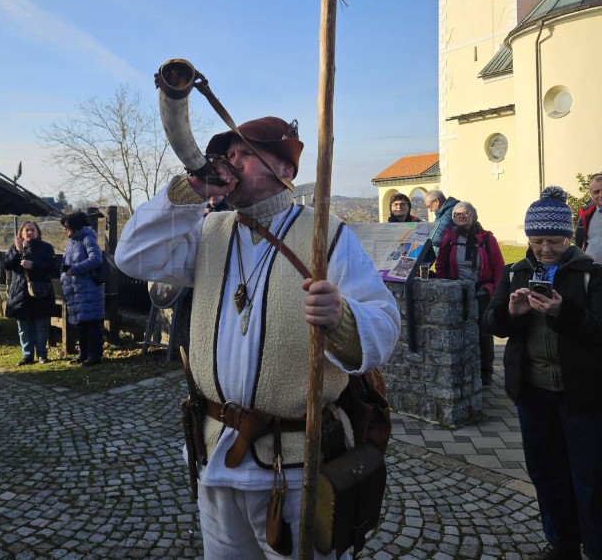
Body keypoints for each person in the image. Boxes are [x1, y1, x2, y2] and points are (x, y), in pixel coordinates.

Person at [115, 116, 400, 560]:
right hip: (216, 453)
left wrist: (341, 317)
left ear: (285, 171)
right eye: (228, 154)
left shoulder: (328, 232)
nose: (231, 162)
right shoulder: (209, 231)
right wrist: (190, 191)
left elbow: (383, 327)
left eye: (245, 153)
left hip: (296, 464)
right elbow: (131, 256)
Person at [485, 186, 602, 560]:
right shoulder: (516, 272)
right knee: (547, 474)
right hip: (533, 394)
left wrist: (561, 312)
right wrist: (511, 314)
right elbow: (493, 323)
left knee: (590, 480)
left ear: (569, 237)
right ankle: (562, 543)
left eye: (553, 240)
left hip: (582, 396)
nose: (545, 249)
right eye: (536, 241)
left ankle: (596, 547)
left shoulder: (591, 275)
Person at [435, 201, 505, 386]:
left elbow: (499, 267)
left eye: (465, 213)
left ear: (474, 215)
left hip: (482, 292)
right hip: (458, 293)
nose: (461, 216)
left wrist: (498, 294)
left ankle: (485, 372)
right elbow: (440, 265)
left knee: (484, 333)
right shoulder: (449, 239)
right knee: (459, 331)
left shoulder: (487, 239)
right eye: (457, 214)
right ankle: (463, 369)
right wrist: (445, 285)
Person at [4, 220, 57, 366]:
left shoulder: (46, 247)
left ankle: (42, 354)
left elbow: (53, 268)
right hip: (20, 292)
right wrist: (16, 250)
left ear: (37, 232)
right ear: (21, 233)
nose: (30, 232)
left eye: (32, 230)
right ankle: (27, 355)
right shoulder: (15, 247)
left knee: (41, 325)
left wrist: (34, 265)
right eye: (27, 230)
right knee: (24, 327)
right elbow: (7, 264)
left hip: (40, 292)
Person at [60, 212, 106, 367]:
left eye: (66, 227)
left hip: (88, 289)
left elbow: (96, 259)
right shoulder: (70, 243)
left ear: (75, 226)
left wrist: (75, 269)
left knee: (91, 323)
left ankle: (95, 355)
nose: (65, 230)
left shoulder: (88, 238)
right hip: (75, 290)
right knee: (81, 324)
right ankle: (83, 354)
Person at [574, 172, 602, 264]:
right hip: (592, 271)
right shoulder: (585, 214)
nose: (601, 195)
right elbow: (578, 243)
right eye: (596, 192)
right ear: (591, 195)